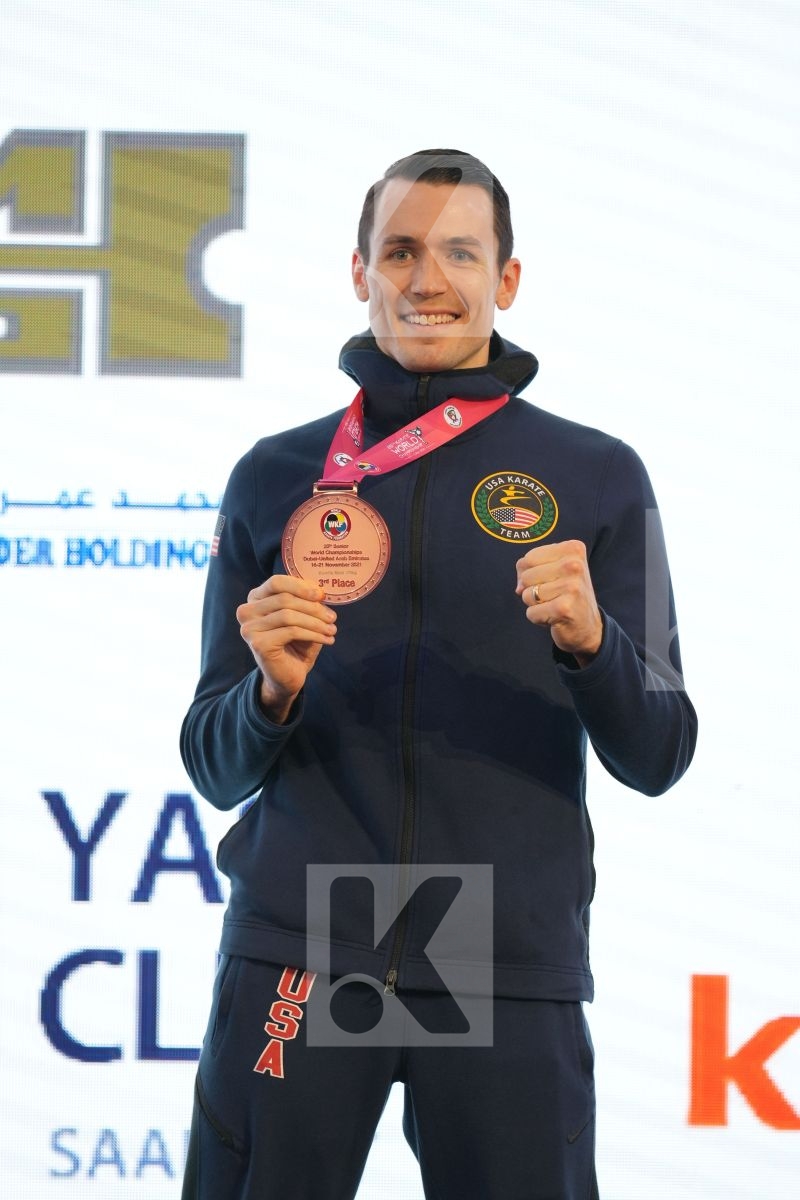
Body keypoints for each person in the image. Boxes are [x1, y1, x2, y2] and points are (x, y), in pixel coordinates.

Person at [180, 149, 697, 1200]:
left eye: (460, 253)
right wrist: (268, 694)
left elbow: (660, 752)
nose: (428, 279)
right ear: (358, 271)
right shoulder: (275, 476)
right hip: (309, 934)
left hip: (500, 947)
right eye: (400, 251)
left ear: (506, 279)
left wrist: (593, 645)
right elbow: (211, 763)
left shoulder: (597, 475)